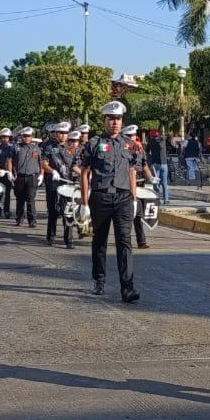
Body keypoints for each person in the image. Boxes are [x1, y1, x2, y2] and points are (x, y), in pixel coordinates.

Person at [74, 101, 140, 303]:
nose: (115, 122)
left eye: (118, 119)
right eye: (111, 119)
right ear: (104, 120)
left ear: (122, 121)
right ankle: (99, 280)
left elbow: (131, 172)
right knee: (99, 241)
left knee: (124, 242)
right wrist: (84, 203)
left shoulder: (130, 145)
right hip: (100, 197)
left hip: (123, 198)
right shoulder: (93, 144)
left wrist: (134, 198)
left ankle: (127, 288)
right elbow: (85, 173)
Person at [41, 122, 73, 246]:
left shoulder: (70, 147)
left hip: (67, 182)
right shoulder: (48, 146)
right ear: (56, 133)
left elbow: (75, 164)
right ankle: (51, 236)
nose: (64, 136)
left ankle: (68, 239)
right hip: (53, 182)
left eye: (66, 133)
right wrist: (52, 171)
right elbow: (44, 163)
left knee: (68, 211)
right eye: (61, 133)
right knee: (53, 210)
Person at [124, 125, 153, 249]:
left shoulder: (139, 148)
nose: (132, 138)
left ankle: (141, 241)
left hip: (140, 185)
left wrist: (151, 178)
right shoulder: (122, 149)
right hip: (126, 185)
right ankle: (125, 240)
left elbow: (144, 165)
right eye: (129, 136)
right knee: (127, 215)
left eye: (134, 135)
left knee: (138, 214)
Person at [12, 127, 42, 227]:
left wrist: (41, 174)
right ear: (21, 136)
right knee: (19, 199)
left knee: (30, 199)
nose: (27, 138)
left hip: (32, 177)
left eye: (28, 136)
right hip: (19, 177)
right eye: (25, 136)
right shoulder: (16, 147)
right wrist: (10, 173)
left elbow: (41, 162)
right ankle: (19, 219)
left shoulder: (36, 148)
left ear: (31, 137)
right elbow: (10, 161)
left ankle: (32, 220)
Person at [147, 129, 169, 203]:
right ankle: (166, 200)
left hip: (156, 164)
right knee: (164, 183)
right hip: (164, 164)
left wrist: (151, 156)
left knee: (155, 182)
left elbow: (147, 152)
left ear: (151, 136)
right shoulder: (163, 140)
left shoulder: (151, 142)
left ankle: (157, 198)